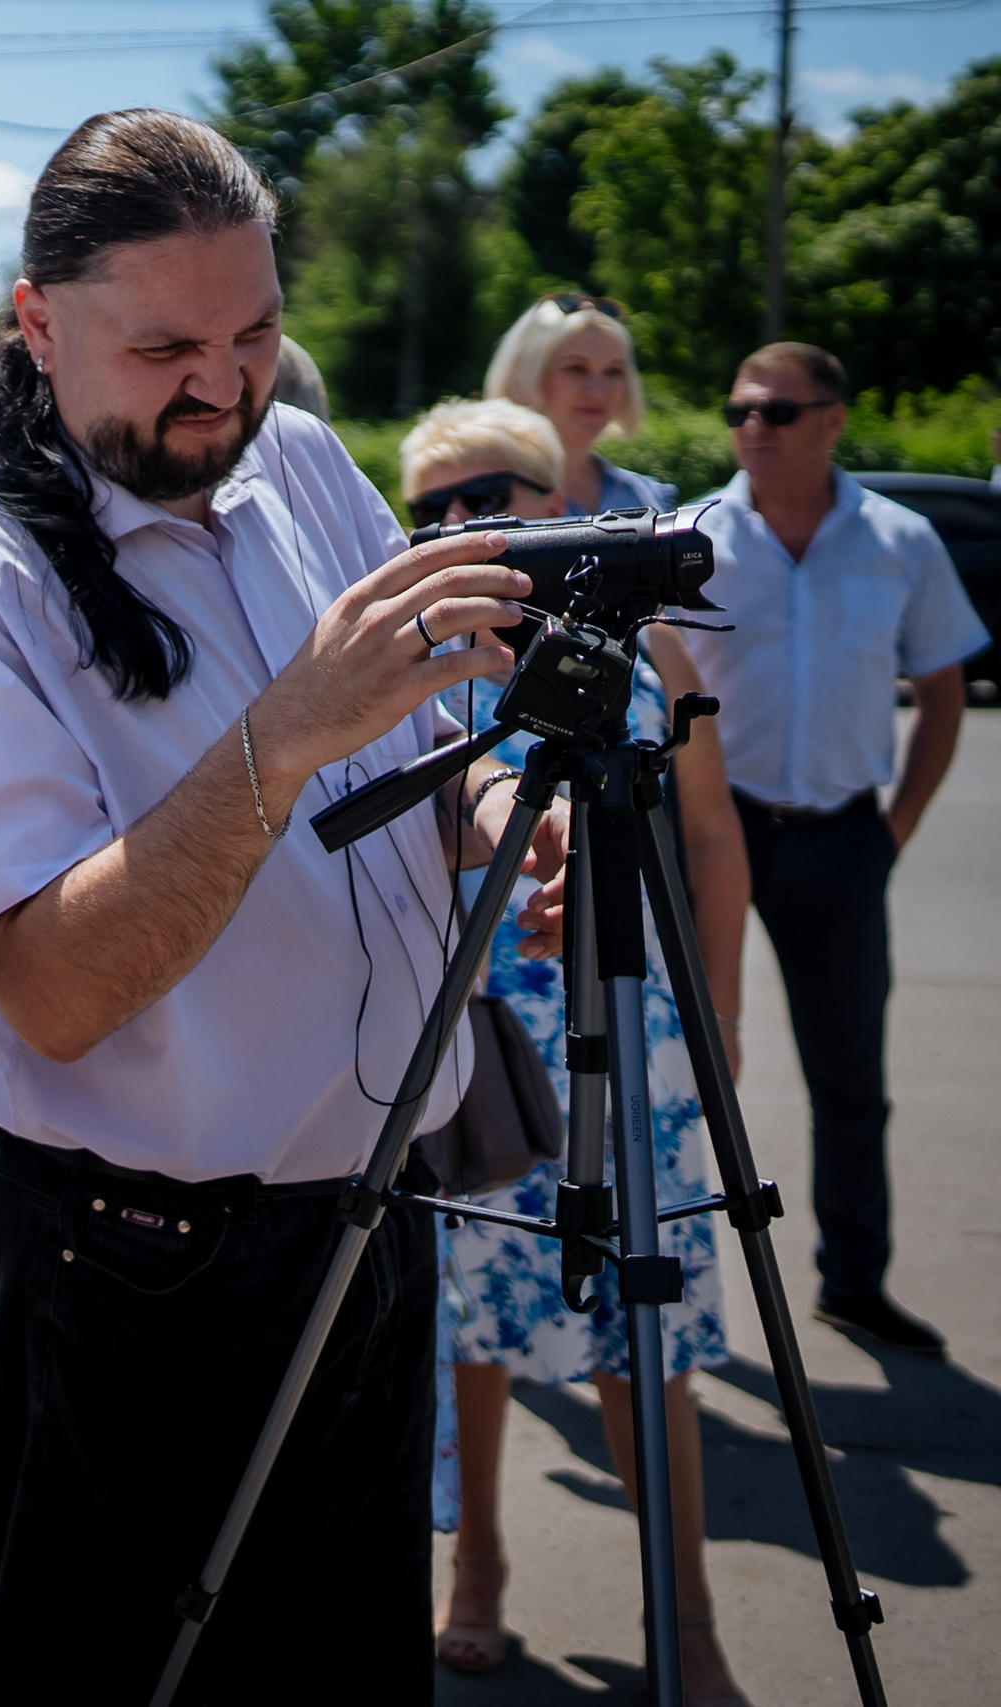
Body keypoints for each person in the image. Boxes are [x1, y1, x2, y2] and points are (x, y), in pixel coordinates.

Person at [0, 109, 571, 1705]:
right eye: (166, 342)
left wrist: (506, 817)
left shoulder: (301, 462)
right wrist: (289, 728)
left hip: (373, 1216)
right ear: (37, 323)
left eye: (254, 332)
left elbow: (423, 768)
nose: (224, 383)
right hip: (140, 1272)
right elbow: (47, 990)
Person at [401, 400, 752, 1704]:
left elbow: (712, 837)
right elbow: (389, 836)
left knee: (642, 1318)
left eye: (485, 494)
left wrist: (719, 1015)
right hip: (484, 1015)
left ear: (554, 500)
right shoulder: (423, 651)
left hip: (637, 1008)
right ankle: (479, 1561)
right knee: (475, 1313)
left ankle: (691, 1612)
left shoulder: (647, 634)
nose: (458, 525)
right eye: (428, 506)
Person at [683, 342, 989, 1356]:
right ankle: (669, 1288)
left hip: (841, 838)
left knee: (849, 1079)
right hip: (708, 832)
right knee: (678, 1063)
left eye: (774, 412)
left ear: (832, 420)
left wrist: (893, 832)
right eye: (738, 411)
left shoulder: (898, 541)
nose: (750, 431)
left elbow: (942, 692)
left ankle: (853, 1282)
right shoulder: (693, 538)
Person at [486, 294, 674, 517]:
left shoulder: (650, 496)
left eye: (614, 371)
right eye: (576, 369)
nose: (598, 391)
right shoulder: (482, 498)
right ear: (526, 375)